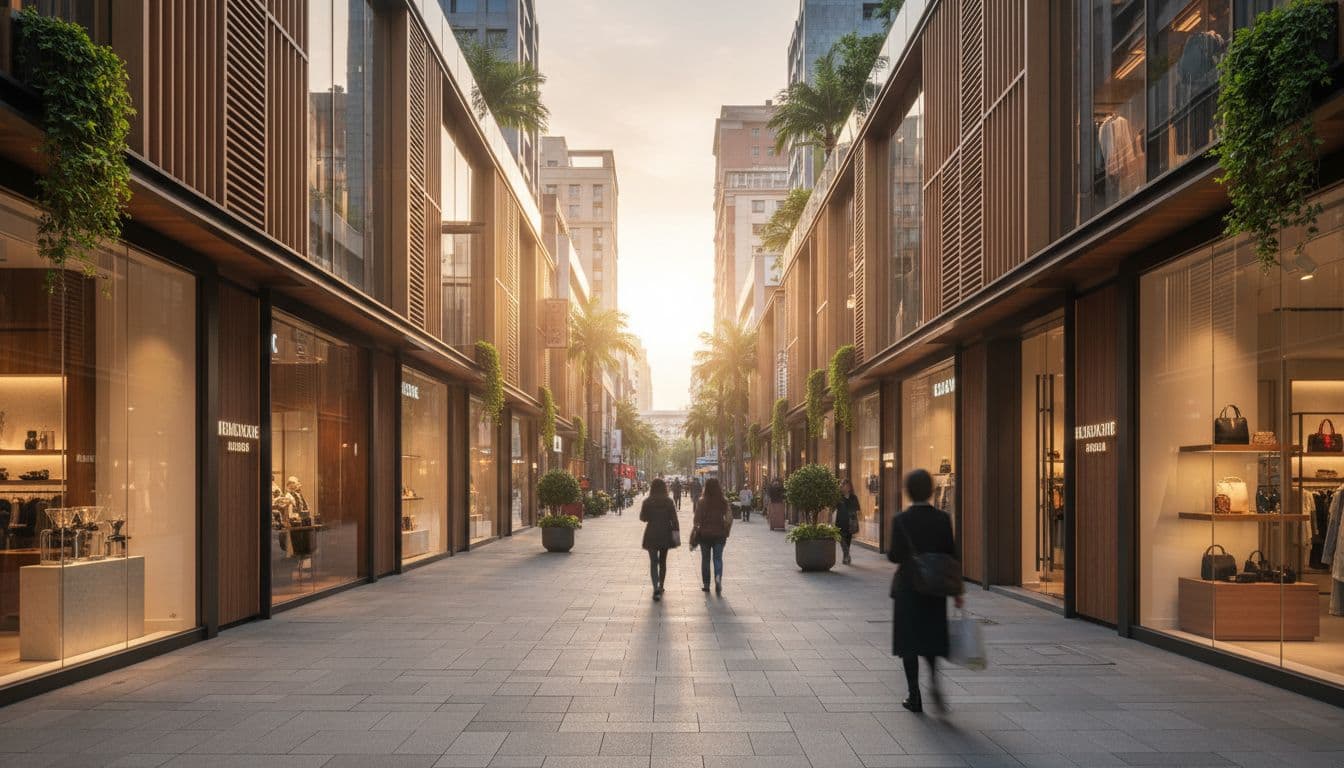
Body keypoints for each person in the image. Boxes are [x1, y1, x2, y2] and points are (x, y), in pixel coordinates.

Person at [887, 469, 961, 715]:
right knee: (930, 638)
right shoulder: (942, 519)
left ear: (909, 491)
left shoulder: (901, 520)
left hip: (908, 587)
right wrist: (958, 591)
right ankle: (934, 682)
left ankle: (914, 695)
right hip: (935, 589)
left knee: (909, 642)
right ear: (931, 491)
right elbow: (951, 554)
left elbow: (894, 556)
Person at [640, 478, 680, 601]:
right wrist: (676, 534)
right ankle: (661, 585)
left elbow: (643, 518)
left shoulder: (647, 501)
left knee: (653, 562)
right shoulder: (668, 501)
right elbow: (674, 519)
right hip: (665, 533)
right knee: (662, 562)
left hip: (651, 533)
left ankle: (655, 586)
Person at [692, 477, 730, 594]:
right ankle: (718, 579)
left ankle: (707, 584)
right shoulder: (723, 501)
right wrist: (726, 530)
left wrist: (697, 529)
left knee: (706, 560)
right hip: (719, 534)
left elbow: (696, 519)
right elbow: (729, 518)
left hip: (705, 535)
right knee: (718, 558)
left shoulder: (702, 501)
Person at [834, 478, 860, 565]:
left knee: (848, 540)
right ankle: (846, 555)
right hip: (840, 521)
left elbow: (857, 509)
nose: (846, 487)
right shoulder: (838, 497)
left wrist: (857, 519)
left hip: (850, 522)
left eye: (847, 486)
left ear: (850, 487)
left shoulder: (854, 497)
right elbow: (833, 508)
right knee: (841, 539)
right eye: (844, 485)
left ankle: (846, 556)